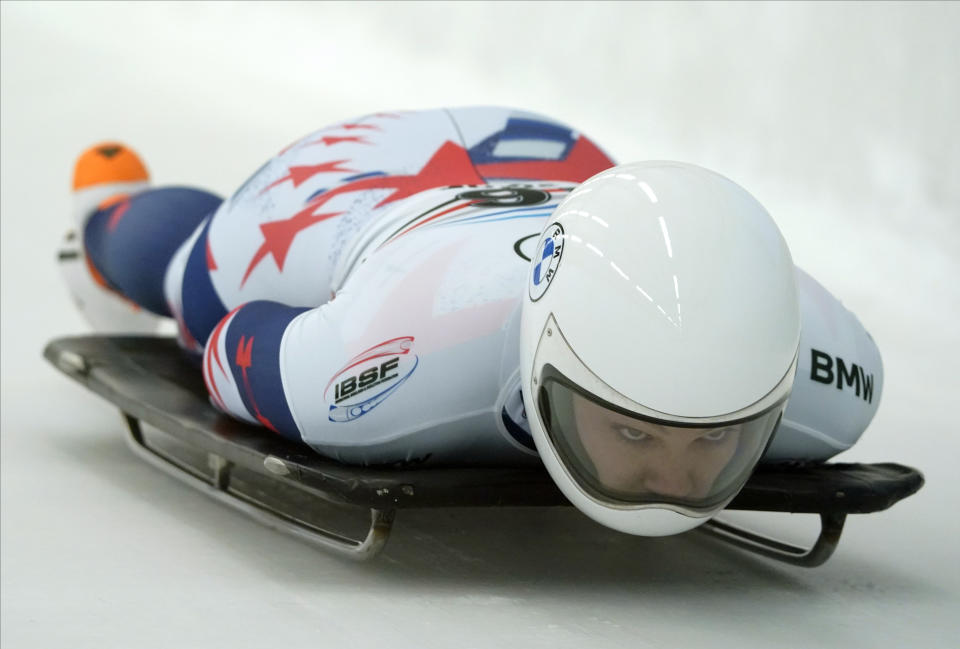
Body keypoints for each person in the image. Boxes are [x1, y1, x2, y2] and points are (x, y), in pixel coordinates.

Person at [63, 107, 884, 536]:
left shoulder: (832, 370)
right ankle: (108, 210)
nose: (675, 484)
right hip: (354, 191)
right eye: (633, 434)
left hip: (568, 164)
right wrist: (214, 332)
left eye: (716, 439)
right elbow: (236, 341)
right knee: (193, 285)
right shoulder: (371, 377)